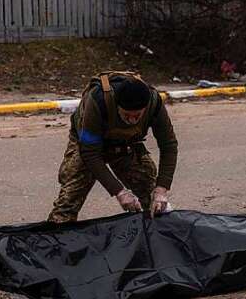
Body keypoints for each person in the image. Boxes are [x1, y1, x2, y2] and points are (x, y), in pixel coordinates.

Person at [48, 72, 179, 223]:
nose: (131, 120)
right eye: (126, 115)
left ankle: (160, 240)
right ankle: (57, 240)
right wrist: (119, 192)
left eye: (137, 116)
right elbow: (90, 153)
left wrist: (162, 189)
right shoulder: (98, 101)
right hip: (87, 144)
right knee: (68, 202)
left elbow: (168, 145)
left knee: (155, 200)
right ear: (117, 106)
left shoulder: (154, 103)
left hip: (125, 144)